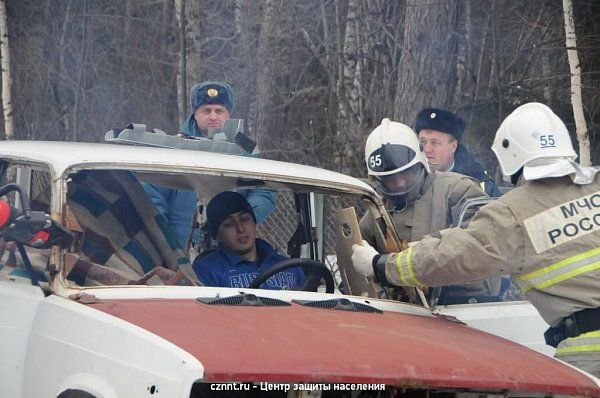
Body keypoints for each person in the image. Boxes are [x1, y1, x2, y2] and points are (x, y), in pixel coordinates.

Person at [352, 102, 600, 377]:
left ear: (509, 154)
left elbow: (452, 256)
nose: (398, 185)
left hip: (590, 351)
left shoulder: (511, 214)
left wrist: (380, 266)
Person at [359, 118, 500, 304]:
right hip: (400, 315)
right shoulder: (377, 212)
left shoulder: (458, 191)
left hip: (462, 310)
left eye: (406, 174)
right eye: (391, 179)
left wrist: (383, 265)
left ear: (420, 163)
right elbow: (357, 271)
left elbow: (479, 251)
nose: (400, 183)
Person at [143, 81, 276, 248]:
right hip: (181, 251)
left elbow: (264, 191)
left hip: (232, 250)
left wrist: (241, 222)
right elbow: (152, 197)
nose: (213, 116)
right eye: (207, 110)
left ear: (228, 115)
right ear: (195, 114)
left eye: (219, 111)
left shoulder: (246, 149)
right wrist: (166, 244)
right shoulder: (173, 147)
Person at [193, 191, 304, 289]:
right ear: (217, 236)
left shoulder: (290, 266)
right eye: (229, 224)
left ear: (254, 223)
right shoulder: (206, 270)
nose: (241, 228)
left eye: (245, 219)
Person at [415, 108, 501, 197]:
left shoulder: (481, 185)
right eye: (423, 142)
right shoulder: (408, 180)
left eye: (435, 143)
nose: (427, 149)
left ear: (453, 146)